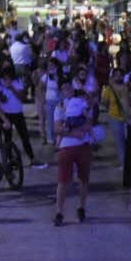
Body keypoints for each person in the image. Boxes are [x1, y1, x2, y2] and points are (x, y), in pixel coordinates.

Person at [53, 82, 95, 226]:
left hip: (84, 146)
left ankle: (81, 207)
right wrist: (74, 132)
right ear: (61, 92)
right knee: (63, 181)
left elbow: (89, 125)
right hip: (66, 148)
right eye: (65, 88)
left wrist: (70, 129)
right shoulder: (59, 108)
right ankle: (59, 212)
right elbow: (57, 129)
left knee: (84, 179)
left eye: (70, 88)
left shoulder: (84, 105)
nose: (68, 90)